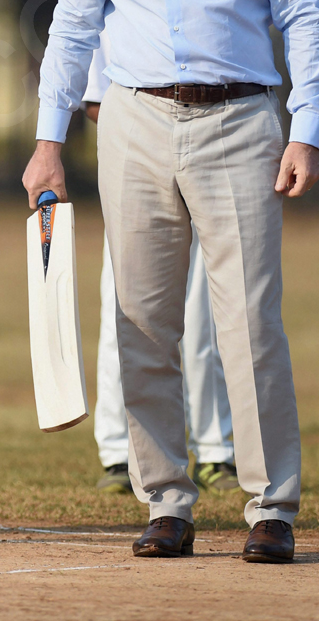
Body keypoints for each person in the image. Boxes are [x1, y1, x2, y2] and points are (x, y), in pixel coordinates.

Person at [23, 0, 319, 564]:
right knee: (140, 322)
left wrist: (309, 126)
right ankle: (166, 501)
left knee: (249, 322)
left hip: (240, 125)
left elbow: (302, 13)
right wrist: (48, 141)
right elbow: (72, 28)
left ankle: (271, 507)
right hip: (132, 124)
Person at [84, 43, 238, 496]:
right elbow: (95, 100)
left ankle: (214, 450)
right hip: (138, 155)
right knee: (125, 315)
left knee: (204, 318)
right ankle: (118, 452)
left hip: (212, 147)